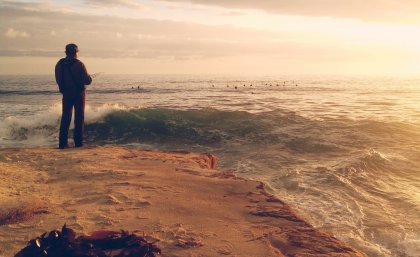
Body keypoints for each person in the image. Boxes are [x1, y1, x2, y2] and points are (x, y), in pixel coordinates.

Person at [55, 43, 92, 149]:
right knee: (79, 117)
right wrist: (90, 79)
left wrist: (63, 89)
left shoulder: (59, 64)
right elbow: (87, 80)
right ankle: (78, 143)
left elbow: (58, 79)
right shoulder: (79, 64)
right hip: (78, 94)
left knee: (65, 117)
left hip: (66, 93)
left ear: (66, 52)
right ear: (75, 53)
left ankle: (62, 144)